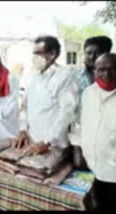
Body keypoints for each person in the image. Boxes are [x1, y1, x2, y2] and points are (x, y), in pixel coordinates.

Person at [11, 35, 78, 155]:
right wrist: (22, 130)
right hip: (32, 143)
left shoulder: (65, 77)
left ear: (53, 54)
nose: (34, 58)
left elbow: (67, 112)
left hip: (53, 147)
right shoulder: (32, 77)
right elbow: (24, 106)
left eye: (38, 53)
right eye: (33, 53)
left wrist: (48, 141)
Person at [69, 36, 112, 169]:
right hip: (80, 129)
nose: (92, 57)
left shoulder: (112, 75)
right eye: (88, 53)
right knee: (80, 165)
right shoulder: (74, 74)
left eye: (97, 52)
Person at [80, 53, 116, 210]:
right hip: (94, 169)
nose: (106, 74)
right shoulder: (88, 94)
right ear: (94, 71)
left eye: (112, 69)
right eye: (101, 69)